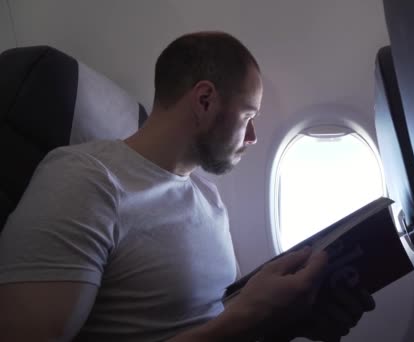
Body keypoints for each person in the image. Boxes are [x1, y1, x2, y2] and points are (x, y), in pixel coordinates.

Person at [0, 32, 375, 342]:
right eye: (248, 116)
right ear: (205, 100)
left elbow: (206, 325)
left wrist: (290, 322)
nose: (254, 136)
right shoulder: (86, 180)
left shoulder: (208, 202)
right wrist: (247, 316)